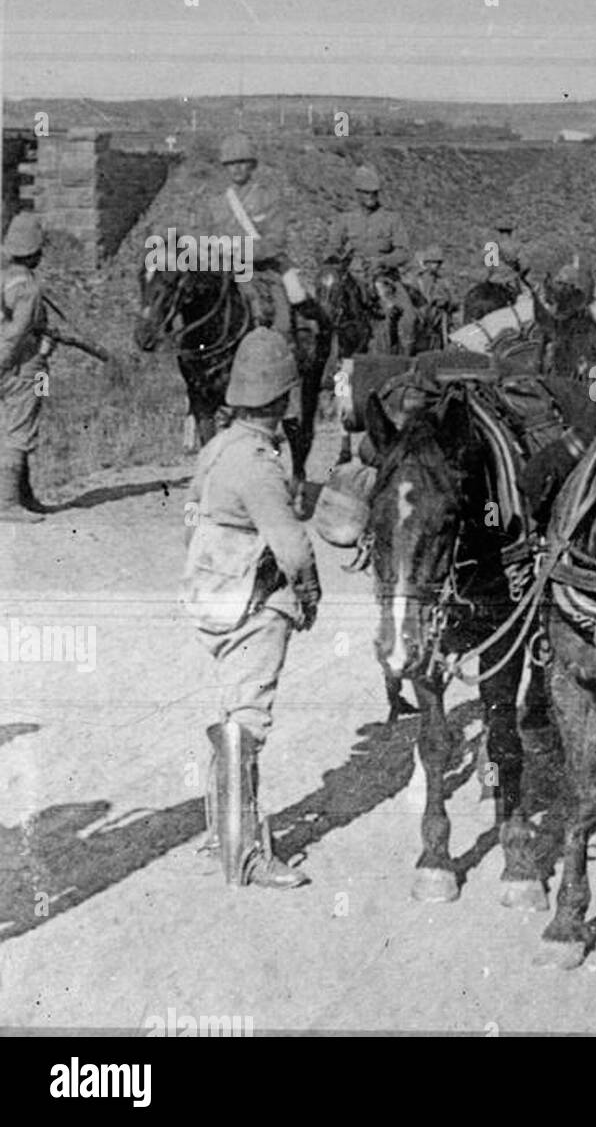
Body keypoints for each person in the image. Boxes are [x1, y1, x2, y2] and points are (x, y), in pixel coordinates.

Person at [182, 329, 322, 889]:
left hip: (210, 590)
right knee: (248, 720)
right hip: (252, 598)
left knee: (231, 708)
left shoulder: (217, 448)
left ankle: (221, 831)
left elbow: (190, 517)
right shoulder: (260, 463)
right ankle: (244, 856)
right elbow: (293, 546)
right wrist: (309, 595)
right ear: (284, 398)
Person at [326, 166, 417, 353]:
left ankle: (405, 358)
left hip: (383, 278)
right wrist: (336, 258)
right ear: (357, 193)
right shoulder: (345, 219)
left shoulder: (391, 219)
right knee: (325, 310)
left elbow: (404, 252)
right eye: (366, 193)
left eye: (374, 193)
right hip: (351, 276)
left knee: (408, 318)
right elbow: (332, 247)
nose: (371, 197)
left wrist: (383, 261)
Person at [216, 133, 298, 337]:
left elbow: (276, 241)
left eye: (242, 162)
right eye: (230, 163)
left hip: (263, 271)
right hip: (225, 271)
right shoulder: (217, 202)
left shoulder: (268, 196)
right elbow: (207, 234)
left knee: (283, 324)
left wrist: (241, 250)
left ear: (252, 165)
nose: (236, 168)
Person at [0, 213, 51, 522]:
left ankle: (24, 495)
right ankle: (7, 503)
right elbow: (16, 334)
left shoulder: (4, 277)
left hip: (11, 365)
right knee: (21, 430)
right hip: (22, 367)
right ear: (35, 252)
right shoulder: (29, 289)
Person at [413, 244, 457, 342]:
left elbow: (454, 301)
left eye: (437, 263)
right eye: (432, 262)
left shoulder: (444, 282)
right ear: (426, 263)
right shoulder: (416, 280)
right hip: (419, 320)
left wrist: (446, 302)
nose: (435, 265)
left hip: (438, 322)